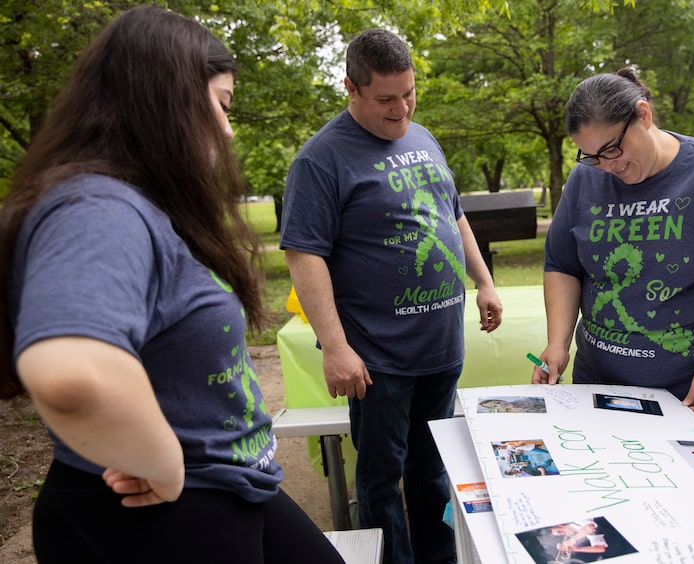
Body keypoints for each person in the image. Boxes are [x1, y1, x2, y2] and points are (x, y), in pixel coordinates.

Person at [0, 6, 344, 563]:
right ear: (163, 97)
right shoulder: (96, 207)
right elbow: (69, 372)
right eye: (221, 103)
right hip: (151, 509)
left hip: (230, 488)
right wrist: (163, 461)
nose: (229, 128)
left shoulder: (146, 206)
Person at [280, 28, 503, 564]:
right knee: (381, 481)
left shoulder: (423, 137)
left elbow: (454, 216)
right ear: (351, 89)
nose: (401, 108)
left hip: (439, 347)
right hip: (378, 358)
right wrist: (335, 347)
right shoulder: (320, 160)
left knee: (431, 472)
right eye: (386, 98)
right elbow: (304, 256)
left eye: (409, 93)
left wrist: (485, 281)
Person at [532, 67, 694, 415]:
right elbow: (562, 265)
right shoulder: (585, 179)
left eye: (612, 148)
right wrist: (558, 342)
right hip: (596, 390)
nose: (607, 166)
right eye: (592, 156)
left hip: (693, 396)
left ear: (643, 115)